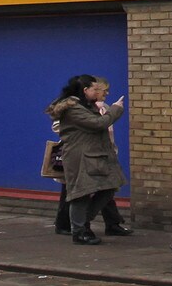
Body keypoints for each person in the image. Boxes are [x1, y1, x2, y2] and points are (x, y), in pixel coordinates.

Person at [48, 74, 128, 245]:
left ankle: (82, 222)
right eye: (94, 89)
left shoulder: (87, 105)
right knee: (81, 194)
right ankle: (79, 231)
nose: (97, 91)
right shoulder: (73, 109)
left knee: (109, 187)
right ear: (85, 90)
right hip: (80, 157)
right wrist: (115, 109)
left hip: (97, 155)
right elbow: (97, 124)